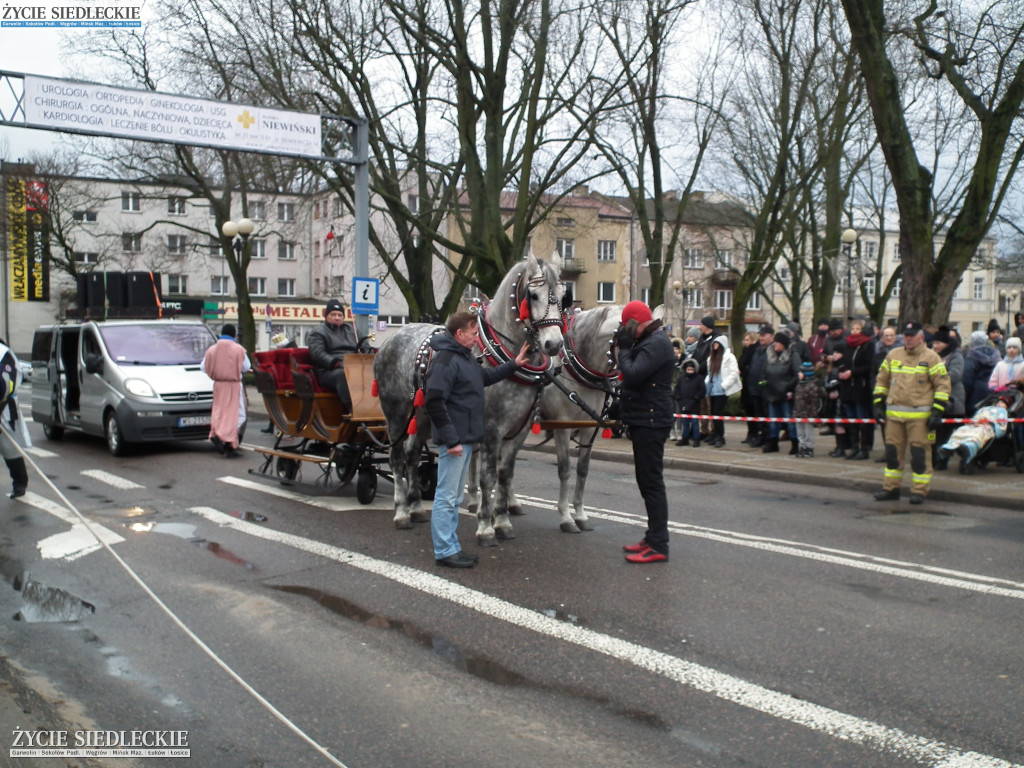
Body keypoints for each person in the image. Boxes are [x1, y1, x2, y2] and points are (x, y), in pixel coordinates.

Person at [424, 312, 530, 569]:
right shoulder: (446, 360)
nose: (476, 339)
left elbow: (484, 379)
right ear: (459, 334)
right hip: (456, 442)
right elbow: (434, 401)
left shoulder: (463, 358)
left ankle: (451, 547)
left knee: (454, 498)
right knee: (447, 497)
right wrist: (451, 441)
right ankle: (444, 550)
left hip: (466, 439)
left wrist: (513, 364)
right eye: (473, 334)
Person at [616, 301, 676, 564]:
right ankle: (652, 537)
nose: (625, 331)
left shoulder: (657, 343)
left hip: (652, 421)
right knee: (646, 481)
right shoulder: (652, 341)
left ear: (634, 323)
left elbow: (633, 374)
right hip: (645, 418)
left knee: (651, 483)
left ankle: (658, 544)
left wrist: (625, 349)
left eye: (627, 326)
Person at [872, 321, 951, 505]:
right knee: (892, 454)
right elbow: (881, 380)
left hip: (920, 418)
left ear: (921, 337)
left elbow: (943, 385)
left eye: (912, 335)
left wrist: (937, 411)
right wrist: (877, 404)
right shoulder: (893, 355)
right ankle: (891, 488)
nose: (908, 338)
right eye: (906, 335)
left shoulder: (931, 358)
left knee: (919, 455)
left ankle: (919, 491)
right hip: (894, 416)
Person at [202, 323, 251, 457]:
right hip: (234, 384)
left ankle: (218, 434)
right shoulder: (238, 349)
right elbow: (246, 367)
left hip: (218, 384)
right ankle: (226, 438)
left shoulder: (212, 349)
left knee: (219, 411)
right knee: (238, 414)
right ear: (234, 334)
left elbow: (203, 367)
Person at [309, 298, 359, 411]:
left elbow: (364, 347)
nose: (337, 317)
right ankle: (354, 409)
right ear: (326, 316)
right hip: (329, 371)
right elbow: (317, 353)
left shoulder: (352, 330)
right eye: (333, 314)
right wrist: (336, 363)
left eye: (340, 315)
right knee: (343, 375)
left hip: (354, 366)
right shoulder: (318, 332)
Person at [835, 320, 875, 460]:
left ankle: (864, 448)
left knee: (862, 419)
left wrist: (853, 372)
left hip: (860, 387)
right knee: (851, 420)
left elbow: (869, 366)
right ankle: (854, 447)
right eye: (853, 329)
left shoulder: (868, 344)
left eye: (858, 329)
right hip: (847, 387)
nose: (855, 331)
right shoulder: (847, 344)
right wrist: (840, 368)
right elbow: (843, 362)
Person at [930, 325, 964, 471]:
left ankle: (943, 460)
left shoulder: (956, 356)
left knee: (946, 434)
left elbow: (954, 375)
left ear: (946, 344)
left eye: (938, 343)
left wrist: (935, 380)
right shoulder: (931, 356)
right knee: (933, 434)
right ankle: (933, 459)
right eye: (934, 343)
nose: (935, 346)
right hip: (933, 399)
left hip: (952, 400)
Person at [761, 332, 801, 454]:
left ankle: (795, 444)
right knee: (773, 420)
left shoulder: (793, 356)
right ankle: (773, 442)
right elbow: (763, 372)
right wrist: (763, 382)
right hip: (771, 393)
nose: (775, 345)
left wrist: (787, 386)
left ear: (783, 344)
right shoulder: (770, 356)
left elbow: (797, 375)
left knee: (789, 420)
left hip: (786, 393)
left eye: (777, 343)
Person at [0, 341, 29, 498]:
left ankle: (20, 482)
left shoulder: (3, 353)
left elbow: (6, 384)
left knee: (10, 449)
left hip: (4, 410)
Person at [704, 335, 740, 447]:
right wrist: (707, 383)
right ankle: (715, 435)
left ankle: (721, 436)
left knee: (717, 413)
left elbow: (734, 373)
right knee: (713, 413)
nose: (715, 345)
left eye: (717, 343)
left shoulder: (729, 357)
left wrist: (724, 385)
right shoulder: (711, 358)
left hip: (721, 390)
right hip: (712, 389)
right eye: (714, 343)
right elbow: (709, 374)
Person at [962, 330, 1002, 417]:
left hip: (974, 400)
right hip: (993, 398)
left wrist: (964, 402)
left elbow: (967, 381)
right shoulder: (996, 357)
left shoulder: (971, 358)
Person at [793, 359, 822, 457]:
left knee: (808, 432)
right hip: (798, 413)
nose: (799, 374)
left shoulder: (812, 386)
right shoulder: (799, 385)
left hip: (808, 414)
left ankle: (809, 448)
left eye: (801, 372)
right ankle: (803, 447)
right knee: (800, 433)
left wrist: (814, 414)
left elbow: (815, 402)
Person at [673, 357, 704, 447]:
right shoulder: (681, 378)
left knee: (695, 423)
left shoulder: (699, 378)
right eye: (688, 369)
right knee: (685, 422)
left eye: (692, 369)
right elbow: (677, 389)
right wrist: (679, 399)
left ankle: (696, 439)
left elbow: (702, 390)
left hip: (694, 403)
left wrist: (696, 398)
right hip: (683, 403)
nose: (690, 371)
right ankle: (685, 438)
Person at [737, 330, 760, 444]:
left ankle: (755, 433)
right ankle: (750, 433)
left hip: (753, 385)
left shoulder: (755, 350)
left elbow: (748, 365)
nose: (745, 342)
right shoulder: (745, 351)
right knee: (748, 411)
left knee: (754, 410)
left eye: (747, 340)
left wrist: (745, 367)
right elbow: (741, 364)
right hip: (746, 384)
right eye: (744, 340)